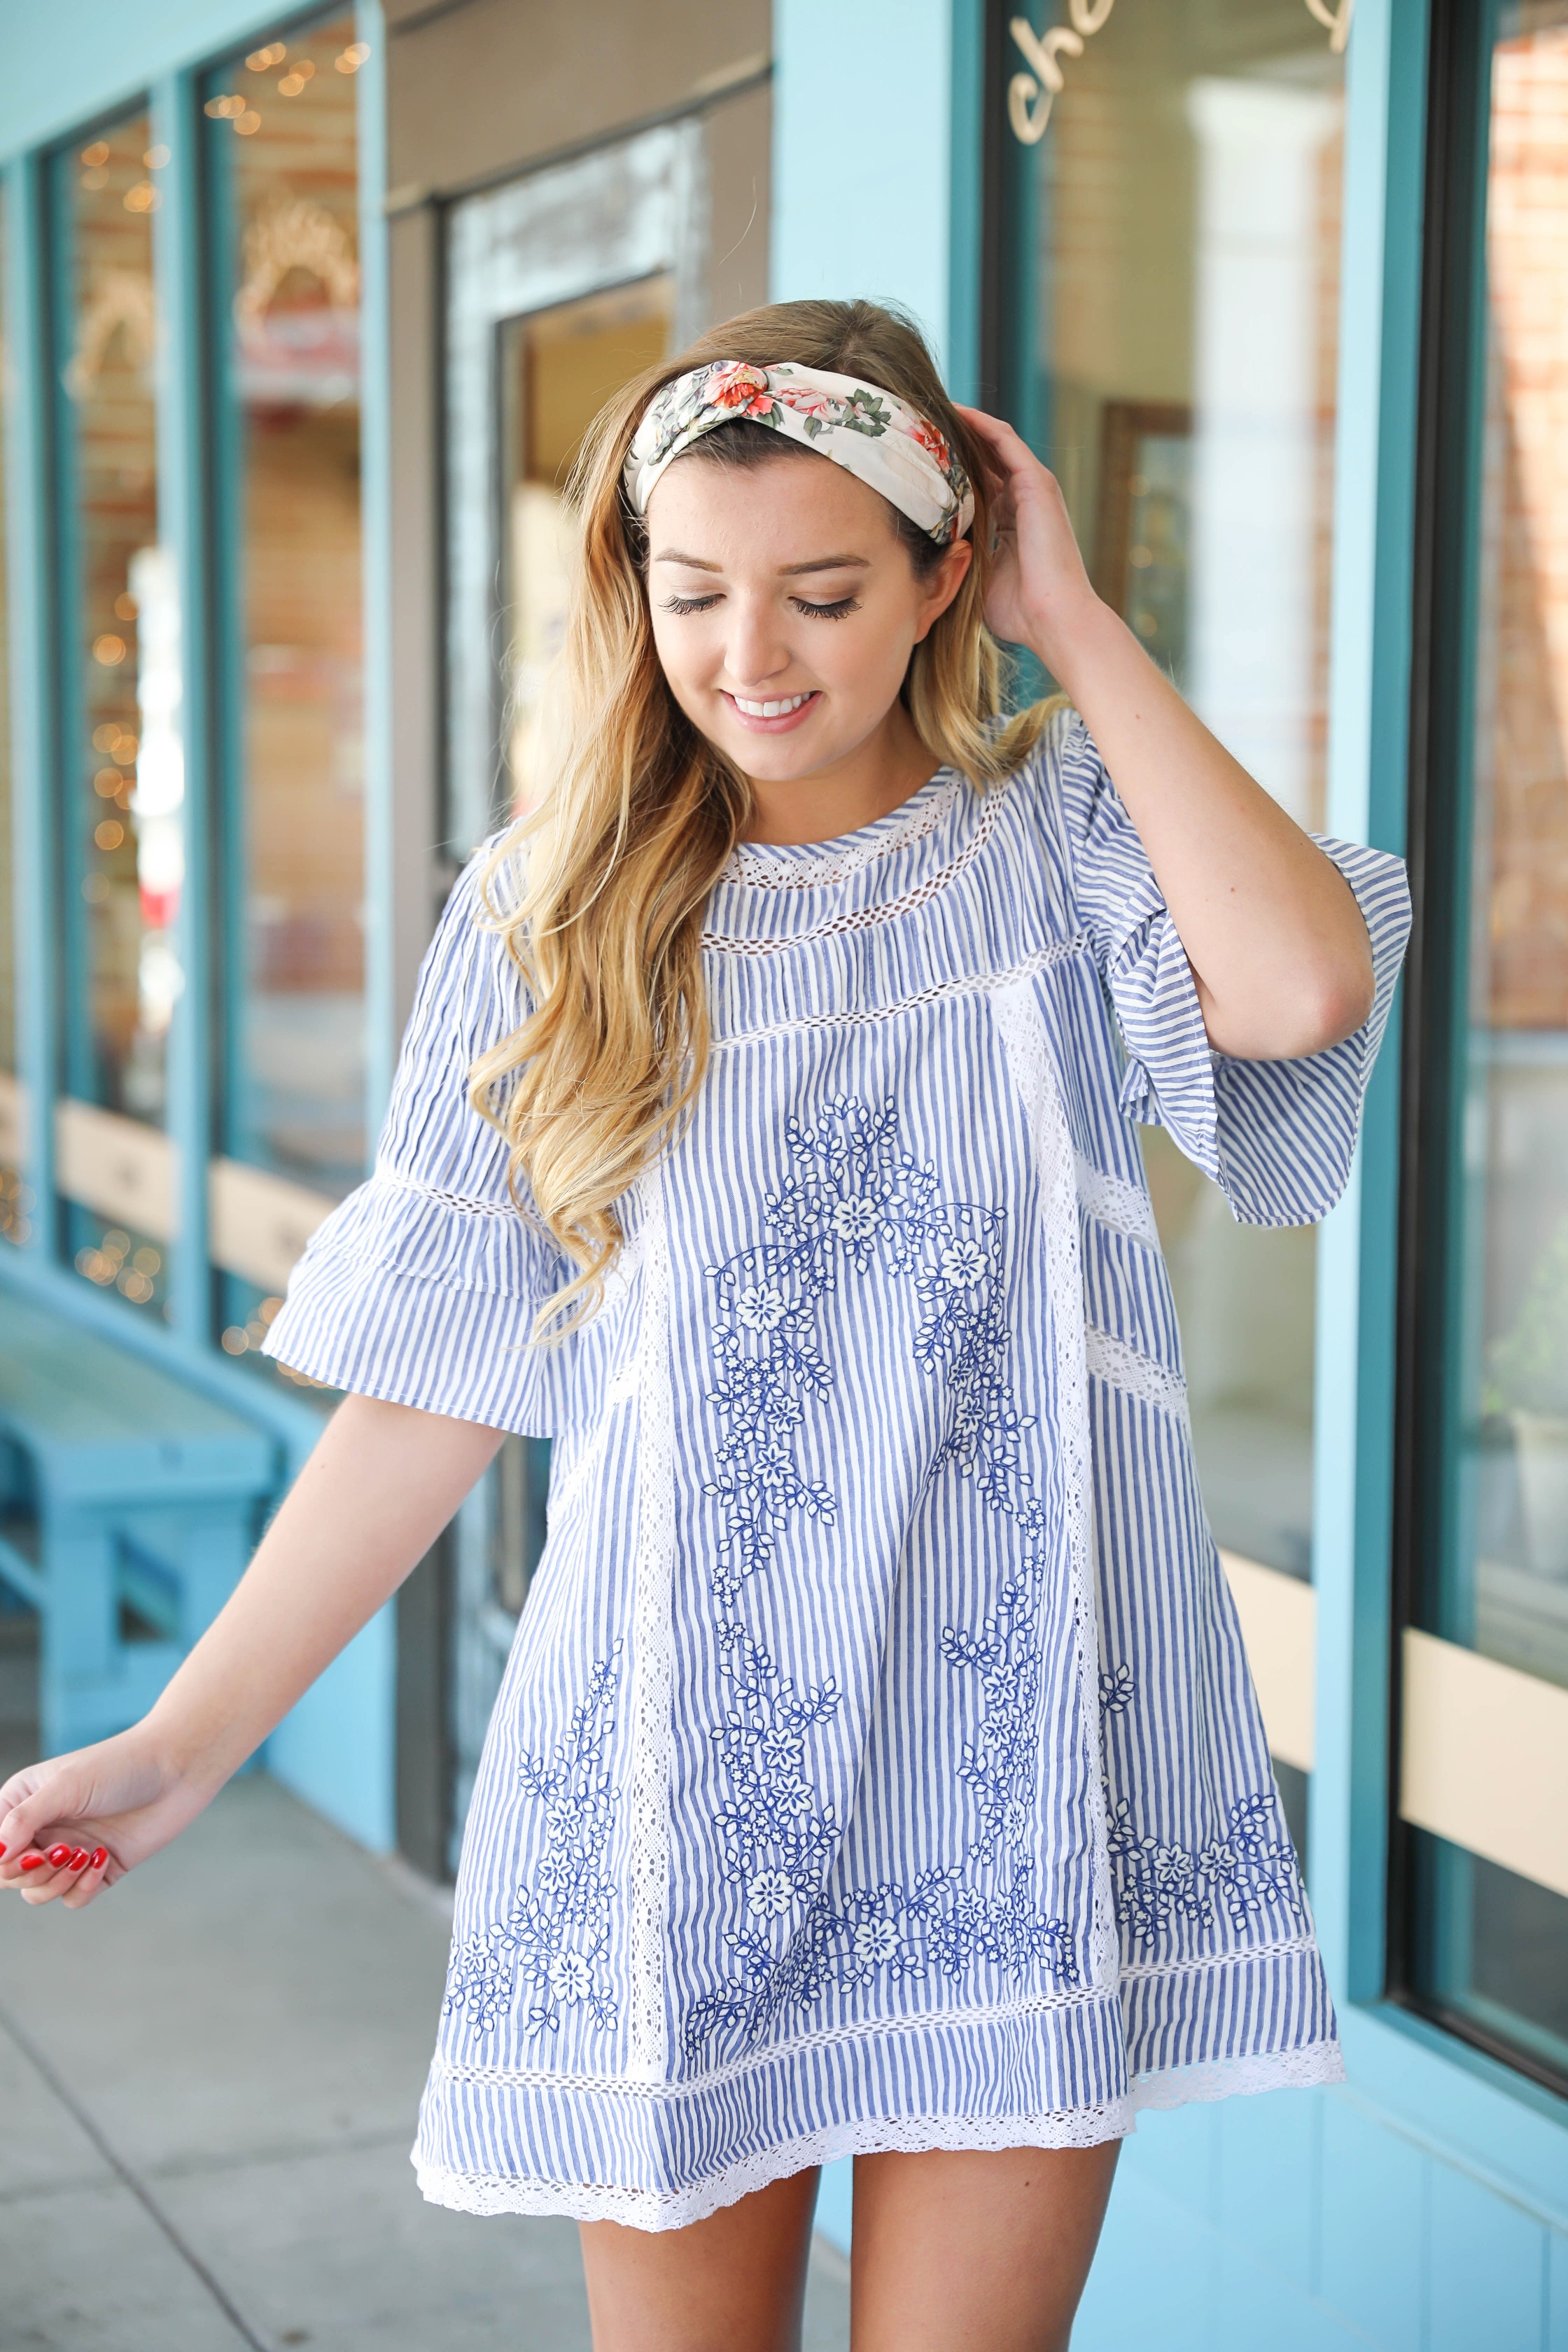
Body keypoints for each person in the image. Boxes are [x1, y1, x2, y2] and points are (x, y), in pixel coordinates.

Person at [0, 299, 1408, 2352]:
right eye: (696, 595)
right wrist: (180, 1746)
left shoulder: (1064, 841)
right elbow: (435, 1390)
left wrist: (1081, 628)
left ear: (947, 578)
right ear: (632, 594)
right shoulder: (550, 916)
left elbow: (1294, 999)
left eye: (826, 593)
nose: (753, 658)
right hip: (675, 1778)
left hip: (1017, 1772)